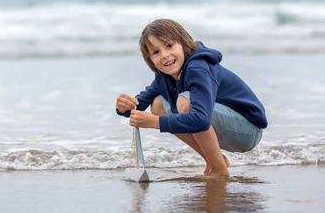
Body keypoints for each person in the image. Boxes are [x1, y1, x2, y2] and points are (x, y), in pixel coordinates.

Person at [115, 19, 268, 178]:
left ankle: (219, 170)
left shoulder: (198, 68)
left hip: (247, 131)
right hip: (222, 127)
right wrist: (124, 107)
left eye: (169, 46)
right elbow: (138, 106)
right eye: (156, 52)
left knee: (185, 101)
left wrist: (155, 122)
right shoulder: (163, 77)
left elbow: (201, 119)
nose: (165, 55)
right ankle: (215, 161)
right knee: (158, 104)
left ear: (183, 43)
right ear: (150, 60)